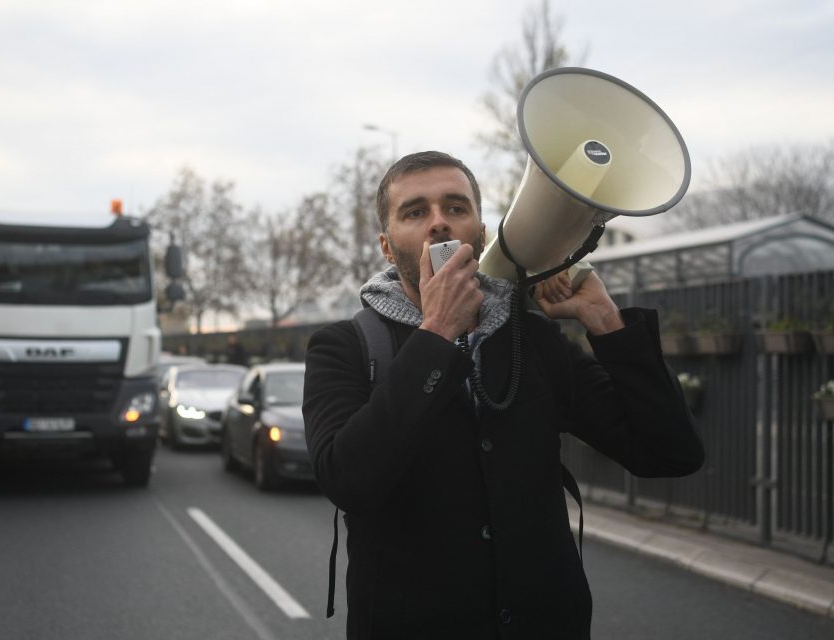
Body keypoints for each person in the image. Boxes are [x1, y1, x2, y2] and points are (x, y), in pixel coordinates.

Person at [302, 151, 705, 639]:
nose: (438, 222)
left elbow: (670, 452)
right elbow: (347, 480)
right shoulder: (343, 346)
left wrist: (606, 322)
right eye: (415, 212)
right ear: (387, 247)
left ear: (480, 232)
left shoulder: (529, 339)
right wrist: (437, 332)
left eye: (455, 207)